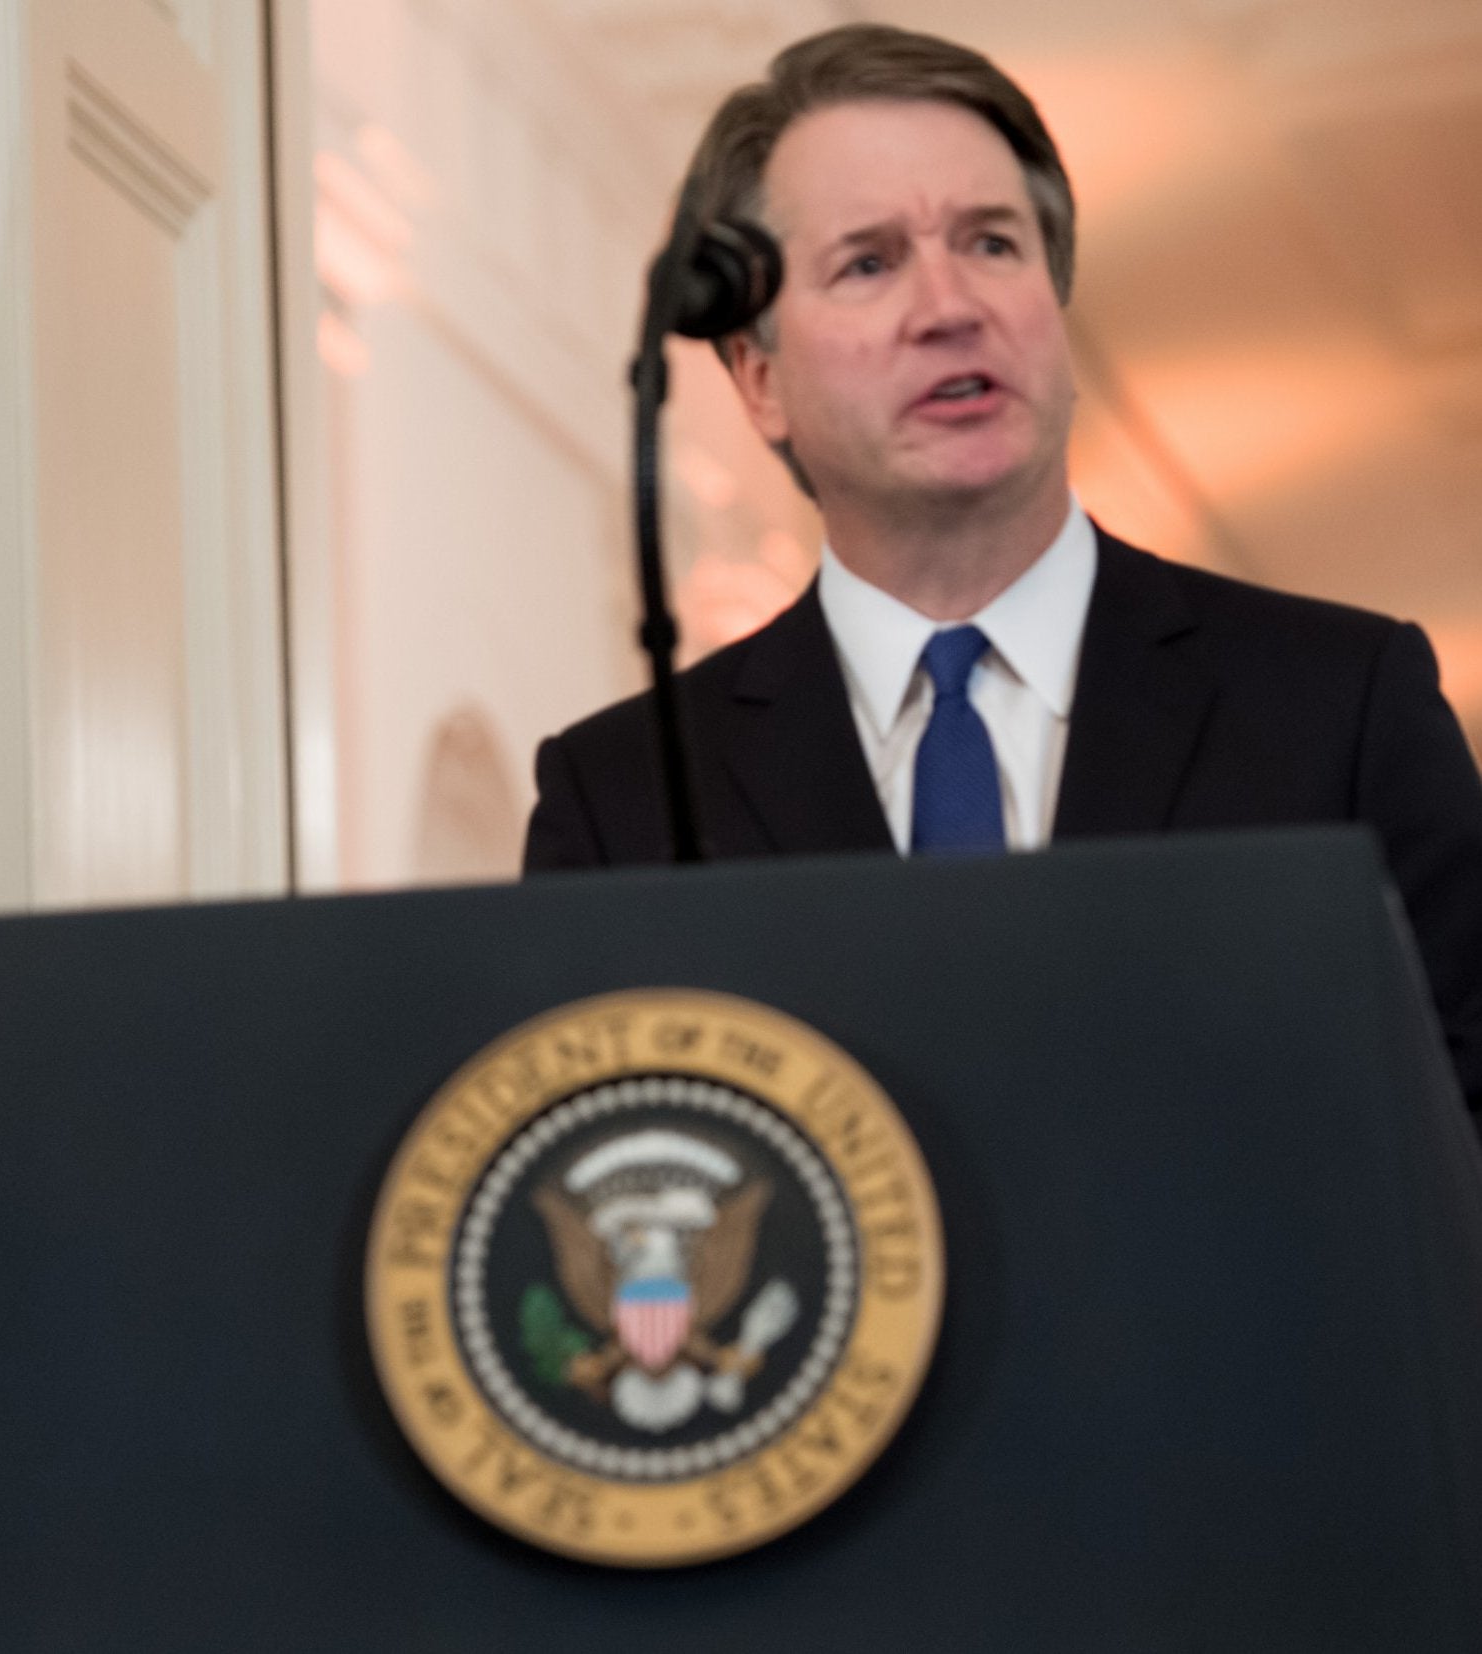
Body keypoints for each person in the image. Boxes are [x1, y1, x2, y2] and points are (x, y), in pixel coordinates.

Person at [522, 23, 1482, 1114]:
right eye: (870, 262)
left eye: (991, 243)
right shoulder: (624, 799)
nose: (951, 306)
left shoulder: (1342, 706)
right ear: (758, 380)